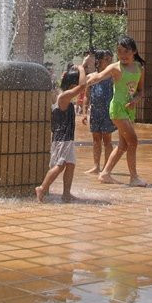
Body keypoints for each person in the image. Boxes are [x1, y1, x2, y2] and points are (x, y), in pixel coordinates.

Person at [87, 36, 148, 187]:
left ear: (134, 51)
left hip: (129, 109)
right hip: (117, 108)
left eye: (126, 51)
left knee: (124, 145)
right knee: (133, 141)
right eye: (119, 51)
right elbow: (99, 77)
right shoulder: (115, 67)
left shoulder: (139, 68)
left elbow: (140, 91)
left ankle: (105, 174)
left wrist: (135, 100)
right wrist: (86, 80)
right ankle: (133, 177)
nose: (122, 55)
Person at [35, 65, 87, 202]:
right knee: (60, 165)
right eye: (75, 87)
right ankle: (42, 188)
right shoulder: (63, 97)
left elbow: (82, 86)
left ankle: (66, 193)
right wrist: (81, 68)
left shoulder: (64, 97)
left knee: (70, 164)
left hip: (67, 139)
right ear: (71, 86)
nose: (79, 92)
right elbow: (83, 86)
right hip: (62, 139)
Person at [82, 49, 115, 175]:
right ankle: (96, 166)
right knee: (96, 139)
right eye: (106, 59)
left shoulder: (112, 77)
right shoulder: (91, 77)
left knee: (107, 140)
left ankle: (107, 167)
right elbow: (87, 96)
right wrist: (84, 113)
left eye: (111, 60)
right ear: (99, 61)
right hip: (95, 112)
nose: (109, 62)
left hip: (108, 112)